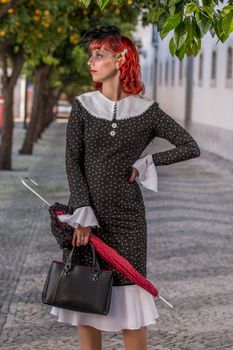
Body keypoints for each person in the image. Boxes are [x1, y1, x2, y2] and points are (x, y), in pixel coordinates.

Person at [50, 25, 201, 350]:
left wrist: (146, 163)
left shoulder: (147, 110)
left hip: (129, 220)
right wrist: (82, 212)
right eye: (91, 54)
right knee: (85, 303)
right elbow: (72, 162)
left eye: (99, 54)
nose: (92, 61)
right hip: (88, 219)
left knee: (132, 308)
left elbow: (189, 146)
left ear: (120, 58)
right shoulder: (82, 106)